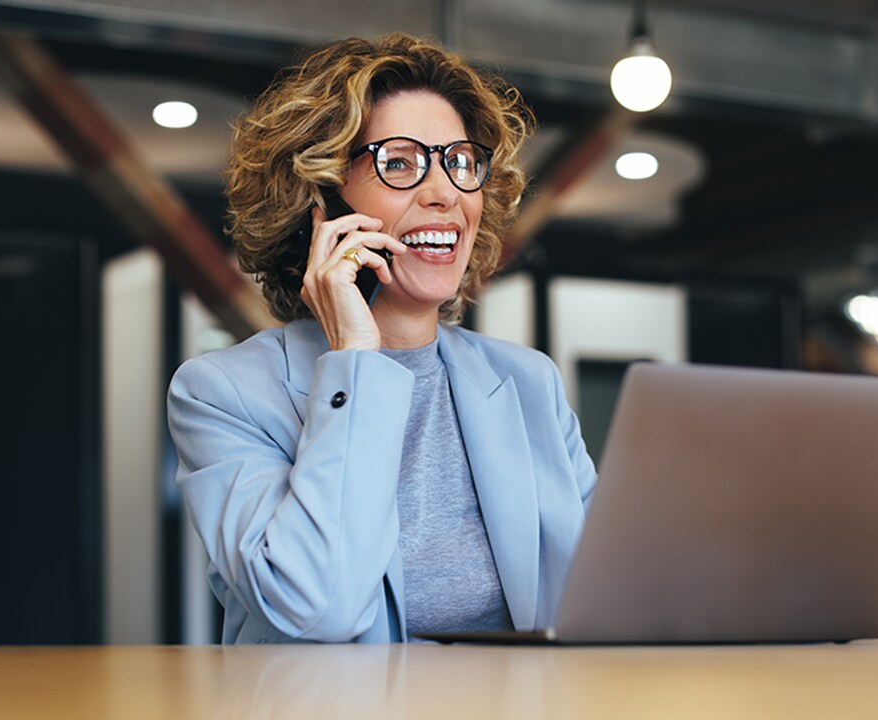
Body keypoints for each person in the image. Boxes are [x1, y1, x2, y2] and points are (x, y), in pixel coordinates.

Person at [168, 33, 597, 644]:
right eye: (399, 163)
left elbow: (607, 596)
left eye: (461, 162)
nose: (445, 192)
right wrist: (354, 365)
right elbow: (318, 608)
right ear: (320, 201)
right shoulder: (221, 393)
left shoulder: (531, 384)